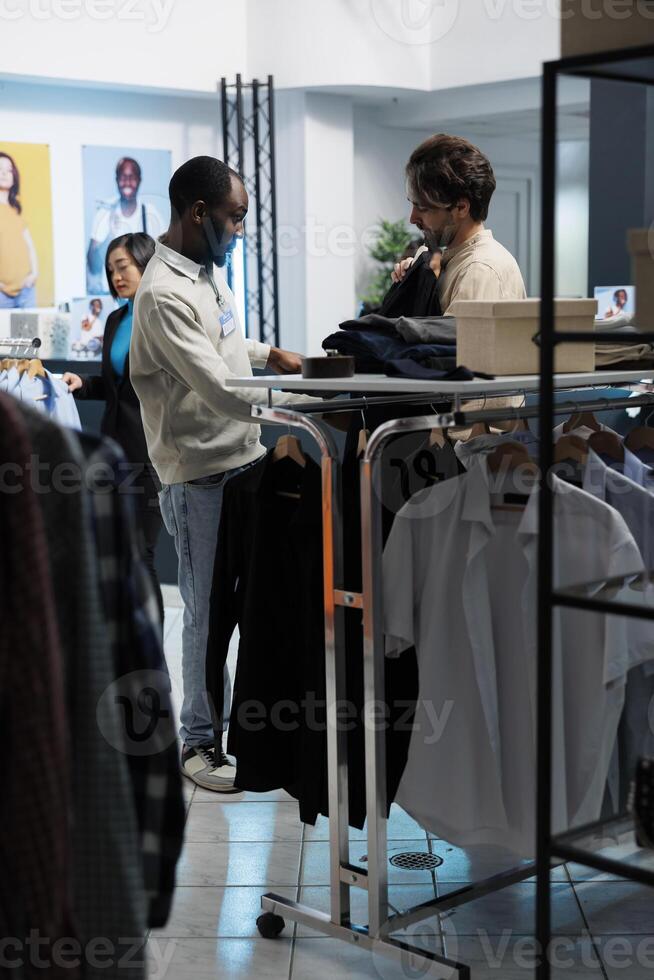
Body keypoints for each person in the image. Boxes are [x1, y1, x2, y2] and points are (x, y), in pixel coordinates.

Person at [130, 156, 312, 793]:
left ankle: (237, 733)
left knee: (243, 608)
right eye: (234, 218)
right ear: (197, 212)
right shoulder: (161, 294)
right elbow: (220, 389)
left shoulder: (206, 275)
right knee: (207, 618)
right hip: (199, 477)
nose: (239, 230)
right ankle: (198, 744)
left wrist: (273, 354)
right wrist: (313, 406)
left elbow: (226, 347)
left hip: (245, 464)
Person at [63, 233, 165, 626]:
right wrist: (83, 383)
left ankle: (151, 641)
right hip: (114, 452)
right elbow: (115, 384)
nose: (116, 275)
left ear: (145, 262)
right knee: (119, 550)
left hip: (153, 454)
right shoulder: (116, 319)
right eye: (110, 269)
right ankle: (127, 640)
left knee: (142, 552)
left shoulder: (161, 315)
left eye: (123, 266)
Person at [391, 134, 526, 310]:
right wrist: (412, 282)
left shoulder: (480, 271)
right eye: (412, 204)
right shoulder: (440, 259)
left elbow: (459, 338)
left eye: (423, 208)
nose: (412, 218)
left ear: (461, 208)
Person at [87, 157, 164, 293]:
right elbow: (93, 266)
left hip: (145, 295)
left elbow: (163, 262)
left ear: (139, 180)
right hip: (113, 297)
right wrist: (109, 234)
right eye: (123, 177)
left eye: (132, 177)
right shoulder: (104, 214)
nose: (127, 182)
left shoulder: (151, 214)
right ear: (117, 180)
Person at [0, 152, 39, 309]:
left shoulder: (16, 210)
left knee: (29, 334)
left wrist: (34, 274)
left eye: (8, 169)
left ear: (14, 176)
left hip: (26, 291)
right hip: (2, 294)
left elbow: (30, 246)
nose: (3, 173)